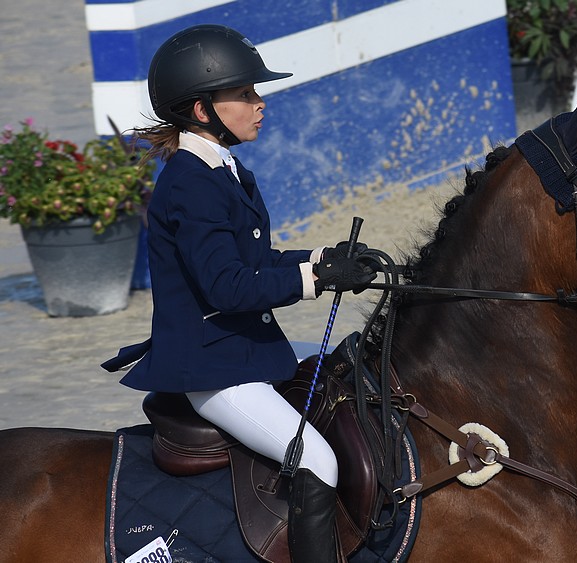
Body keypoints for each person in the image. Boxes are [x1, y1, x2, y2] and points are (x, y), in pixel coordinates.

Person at [102, 24, 374, 563]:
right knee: (318, 460)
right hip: (214, 370)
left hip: (242, 351)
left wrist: (321, 258)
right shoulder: (190, 183)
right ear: (203, 110)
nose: (259, 103)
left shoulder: (222, 169)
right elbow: (227, 286)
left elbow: (250, 262)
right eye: (245, 94)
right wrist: (313, 282)